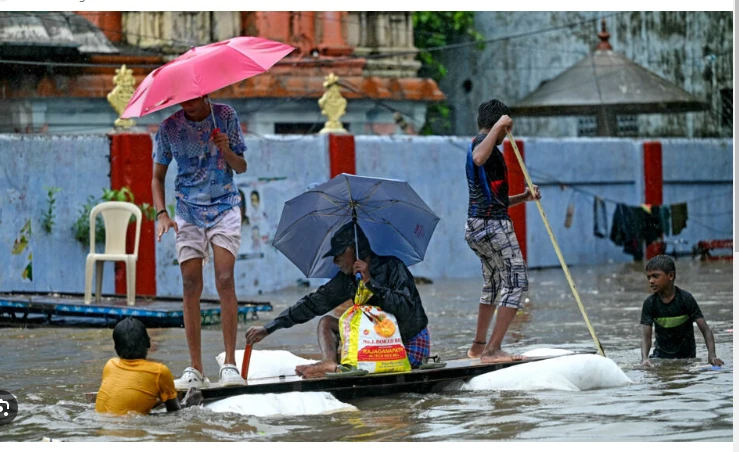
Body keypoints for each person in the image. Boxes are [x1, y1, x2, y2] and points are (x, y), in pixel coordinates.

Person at [244, 222, 431, 378]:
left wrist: (371, 283)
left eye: (338, 255)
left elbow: (406, 309)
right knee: (326, 322)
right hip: (374, 343)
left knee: (353, 360)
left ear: (352, 251)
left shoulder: (393, 267)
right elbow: (312, 304)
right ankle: (329, 362)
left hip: (407, 343)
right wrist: (269, 328)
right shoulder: (347, 280)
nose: (335, 261)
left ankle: (334, 364)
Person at [152, 95, 248, 389]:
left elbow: (241, 167)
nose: (187, 104)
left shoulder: (226, 116)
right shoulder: (169, 128)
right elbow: (157, 177)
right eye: (182, 100)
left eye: (193, 99)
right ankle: (196, 368)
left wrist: (227, 150)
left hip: (224, 206)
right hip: (187, 211)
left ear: (204, 93)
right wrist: (162, 214)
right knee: (190, 285)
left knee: (224, 278)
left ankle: (230, 365)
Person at [464, 98, 541, 363]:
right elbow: (477, 157)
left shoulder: (490, 151)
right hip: (492, 227)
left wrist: (523, 197)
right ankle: (493, 350)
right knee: (517, 282)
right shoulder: (480, 145)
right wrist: (499, 127)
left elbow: (495, 201)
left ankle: (478, 347)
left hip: (477, 225)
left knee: (494, 283)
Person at [95, 317, 202, 415]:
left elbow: (127, 402)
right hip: (130, 428)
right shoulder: (159, 371)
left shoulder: (110, 365)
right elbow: (174, 413)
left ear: (116, 348)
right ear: (148, 343)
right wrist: (189, 403)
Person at [640, 255, 724, 367]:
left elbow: (706, 330)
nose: (651, 281)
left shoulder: (686, 299)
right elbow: (646, 337)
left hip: (687, 359)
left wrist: (712, 356)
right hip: (660, 359)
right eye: (649, 277)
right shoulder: (649, 303)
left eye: (655, 276)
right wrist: (645, 358)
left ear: (670, 275)